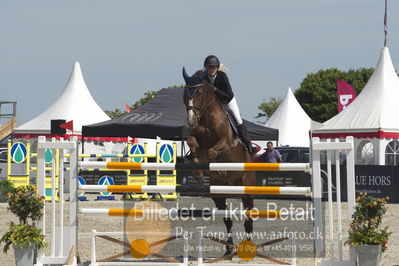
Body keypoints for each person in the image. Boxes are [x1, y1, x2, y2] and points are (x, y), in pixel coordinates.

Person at [203, 55, 256, 154]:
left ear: (217, 68)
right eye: (209, 67)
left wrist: (215, 89)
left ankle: (249, 144)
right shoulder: (205, 78)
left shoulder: (222, 76)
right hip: (216, 104)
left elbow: (228, 95)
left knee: (238, 119)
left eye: (213, 67)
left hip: (228, 101)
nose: (211, 69)